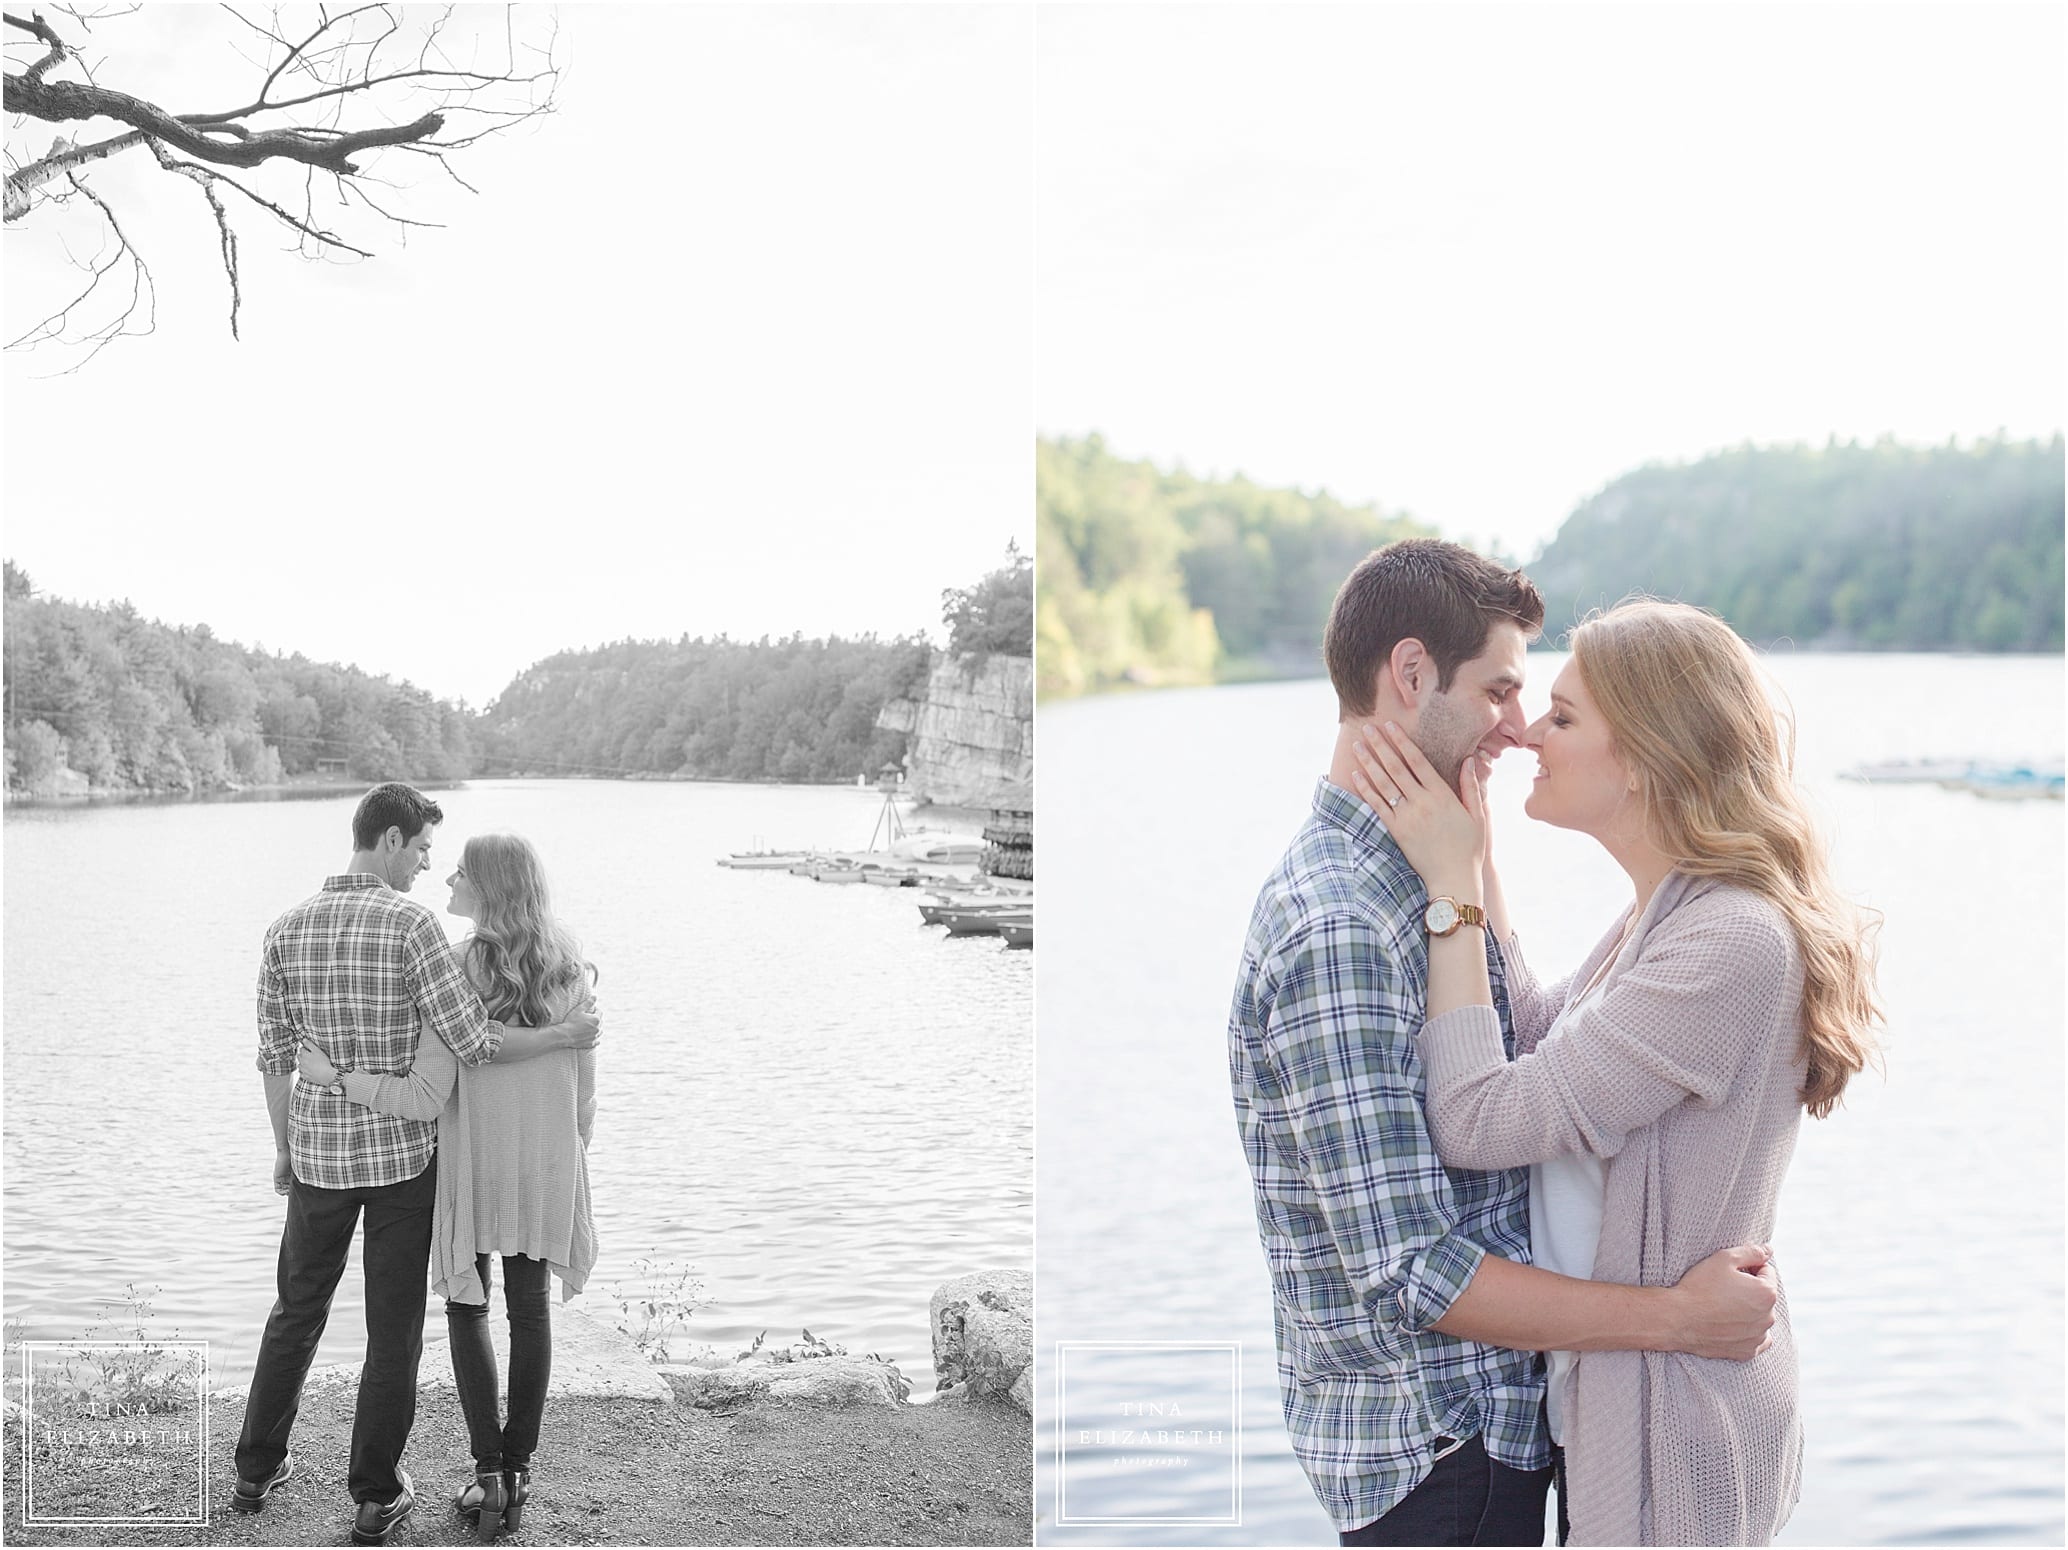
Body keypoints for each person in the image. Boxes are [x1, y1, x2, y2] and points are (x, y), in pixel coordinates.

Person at [1228, 541, 1784, 1549]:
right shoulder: (1346, 920)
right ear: (1409, 675)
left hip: (1499, 1435)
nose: (1518, 726)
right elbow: (1414, 1270)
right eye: (1499, 690)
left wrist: (1468, 871)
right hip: (1440, 1454)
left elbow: (1523, 1051)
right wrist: (1674, 1317)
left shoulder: (1423, 890)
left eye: (1548, 708)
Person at [1346, 597, 1879, 1545]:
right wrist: (1474, 864)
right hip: (1639, 1407)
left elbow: (1477, 1119)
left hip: (1678, 1434)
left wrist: (1445, 892)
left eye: (1564, 715)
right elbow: (1535, 1036)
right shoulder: (1668, 916)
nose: (1529, 736)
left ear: (1642, 756)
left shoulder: (1730, 942)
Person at [235, 784, 600, 1547]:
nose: (428, 865)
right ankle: (375, 1495)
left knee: (295, 1312)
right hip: (403, 1158)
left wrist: (284, 1147)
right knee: (392, 1330)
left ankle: (255, 1467)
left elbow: (273, 1059)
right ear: (394, 839)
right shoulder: (414, 928)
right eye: (425, 848)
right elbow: (474, 1041)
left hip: (319, 1156)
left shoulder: (282, 929)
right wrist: (567, 1036)